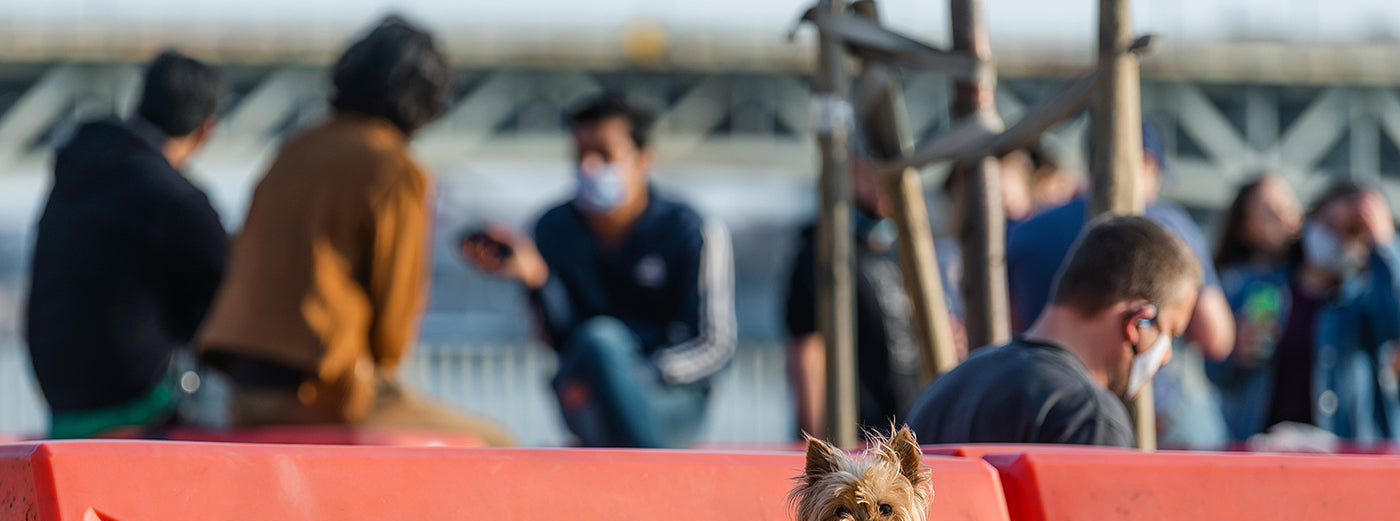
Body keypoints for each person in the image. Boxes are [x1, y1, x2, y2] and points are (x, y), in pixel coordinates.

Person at [197, 16, 510, 443]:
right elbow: (394, 313)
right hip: (323, 392)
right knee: (496, 444)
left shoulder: (295, 147)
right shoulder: (394, 168)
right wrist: (382, 371)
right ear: (426, 96)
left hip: (242, 391)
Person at [461, 92, 736, 448]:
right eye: (581, 155)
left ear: (644, 160)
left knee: (603, 341)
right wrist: (537, 279)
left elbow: (716, 346)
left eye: (604, 155)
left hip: (672, 397)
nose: (589, 167)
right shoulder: (552, 229)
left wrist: (637, 375)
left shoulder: (691, 230)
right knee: (597, 344)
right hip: (587, 394)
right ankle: (651, 471)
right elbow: (558, 342)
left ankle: (643, 464)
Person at [25, 50, 226, 438]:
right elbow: (231, 294)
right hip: (136, 409)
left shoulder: (78, 169)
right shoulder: (176, 199)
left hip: (62, 409)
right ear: (206, 131)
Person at [1005, 124, 1235, 448]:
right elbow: (1217, 338)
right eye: (1169, 333)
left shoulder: (1030, 229)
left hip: (1023, 399)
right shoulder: (1170, 227)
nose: (1165, 354)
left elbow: (1012, 321)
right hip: (1149, 419)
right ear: (1146, 162)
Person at [904, 214, 1202, 447]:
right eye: (1171, 332)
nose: (1166, 356)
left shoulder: (948, 387)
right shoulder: (1089, 417)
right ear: (1138, 322)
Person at [1209, 181, 1400, 443]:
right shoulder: (1258, 289)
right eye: (1329, 224)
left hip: (1342, 454)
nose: (1335, 237)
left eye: (1349, 232)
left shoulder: (1366, 303)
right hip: (1265, 448)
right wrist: (1232, 352)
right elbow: (1216, 372)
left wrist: (1386, 245)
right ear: (1310, 220)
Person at [784, 156, 924, 438]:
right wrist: (814, 438)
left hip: (908, 426)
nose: (883, 183)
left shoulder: (898, 250)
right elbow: (808, 349)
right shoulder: (821, 252)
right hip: (856, 434)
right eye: (872, 173)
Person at [1213, 173, 1303, 274]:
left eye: (1289, 206)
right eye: (1271, 212)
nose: (1284, 217)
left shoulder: (1311, 269)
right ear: (1244, 228)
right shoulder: (1231, 278)